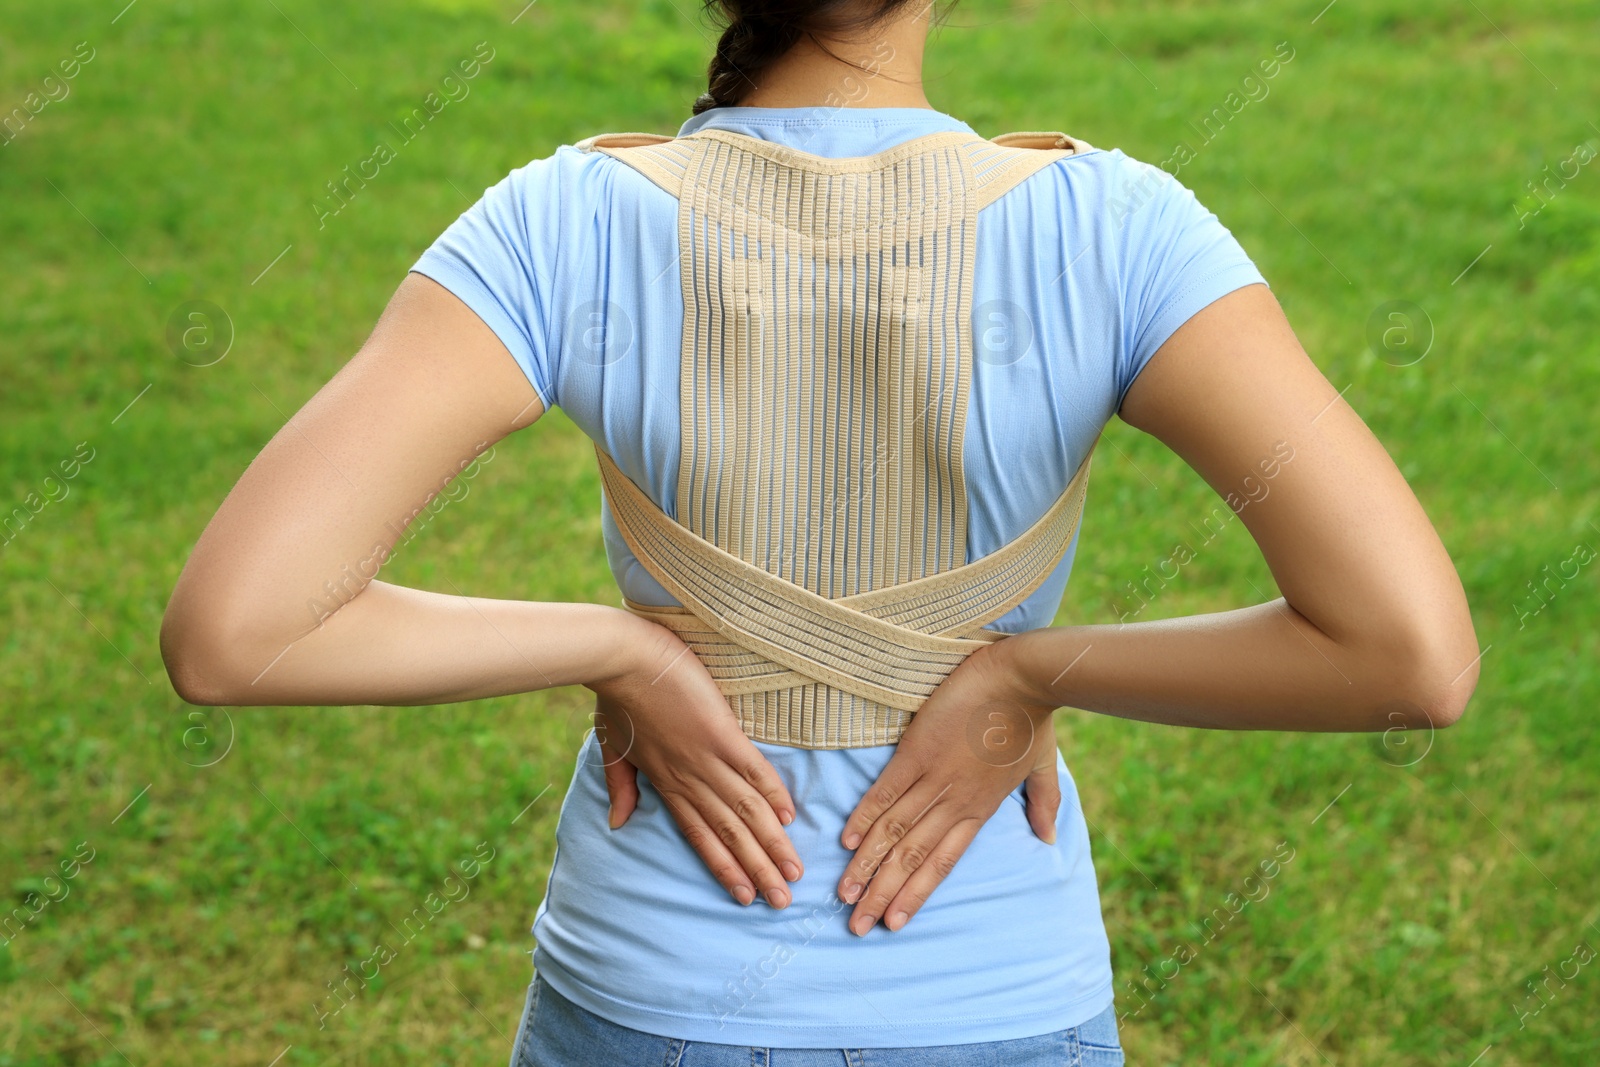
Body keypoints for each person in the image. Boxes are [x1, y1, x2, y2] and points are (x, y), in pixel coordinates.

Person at [159, 1, 1481, 1063]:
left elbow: (240, 630)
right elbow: (1407, 655)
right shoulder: (1113, 234)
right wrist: (1030, 672)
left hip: (653, 989)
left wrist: (619, 650)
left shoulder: (564, 226)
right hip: (995, 993)